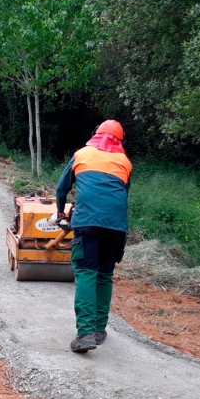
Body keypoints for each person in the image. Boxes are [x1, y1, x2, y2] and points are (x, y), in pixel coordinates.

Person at [55, 120, 132, 353]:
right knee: (105, 275)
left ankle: (85, 333)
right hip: (117, 226)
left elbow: (61, 189)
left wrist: (61, 212)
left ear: (95, 135)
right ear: (120, 140)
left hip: (88, 222)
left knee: (87, 273)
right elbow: (122, 193)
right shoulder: (125, 162)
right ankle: (99, 330)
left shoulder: (82, 154)